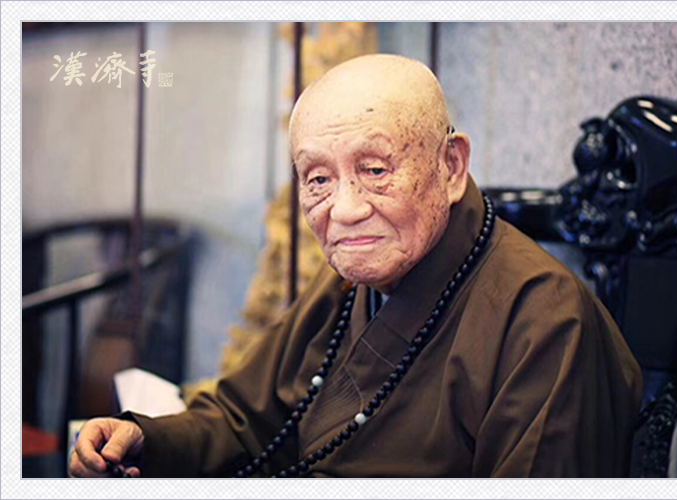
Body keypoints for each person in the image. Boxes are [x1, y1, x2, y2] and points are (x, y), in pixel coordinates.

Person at [69, 54, 642, 478]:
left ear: (450, 166)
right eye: (318, 178)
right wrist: (143, 440)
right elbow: (245, 420)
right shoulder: (355, 280)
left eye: (374, 169)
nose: (344, 210)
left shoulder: (544, 320)